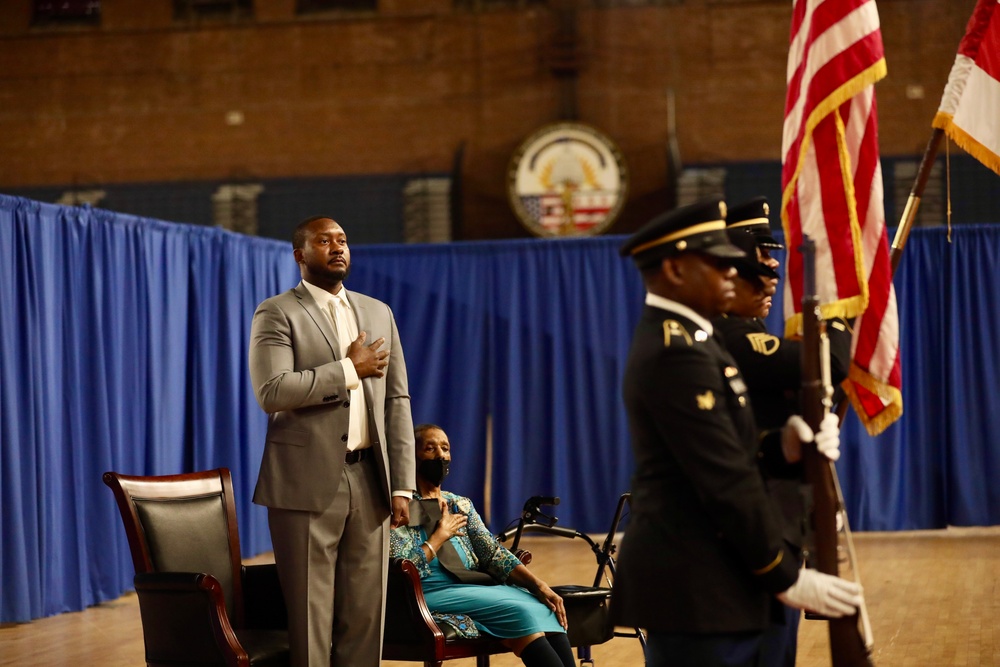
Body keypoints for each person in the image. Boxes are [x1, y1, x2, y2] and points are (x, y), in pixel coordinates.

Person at [609, 199, 862, 667]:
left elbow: (737, 452)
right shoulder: (675, 352)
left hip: (719, 581)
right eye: (720, 263)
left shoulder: (698, 339)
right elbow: (724, 480)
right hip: (696, 587)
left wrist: (784, 444)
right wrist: (785, 576)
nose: (735, 273)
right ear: (675, 269)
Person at [248, 215, 416, 667]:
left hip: (370, 481)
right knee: (310, 616)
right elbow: (272, 391)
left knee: (365, 617)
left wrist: (403, 485)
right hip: (304, 484)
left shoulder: (379, 311)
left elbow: (396, 401)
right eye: (324, 241)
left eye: (343, 240)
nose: (338, 248)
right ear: (301, 255)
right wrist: (347, 370)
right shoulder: (277, 311)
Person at [713, 197, 853, 666]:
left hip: (775, 521)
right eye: (760, 256)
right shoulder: (733, 334)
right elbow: (828, 365)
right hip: (750, 530)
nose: (773, 269)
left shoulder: (745, 328)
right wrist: (836, 314)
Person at [389, 423, 575, 667]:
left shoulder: (460, 504)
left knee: (543, 605)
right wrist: (439, 537)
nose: (440, 455)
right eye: (430, 449)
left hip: (471, 586)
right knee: (520, 611)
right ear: (412, 456)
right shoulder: (399, 507)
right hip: (427, 593)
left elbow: (493, 554)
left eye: (445, 448)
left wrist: (539, 585)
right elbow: (400, 567)